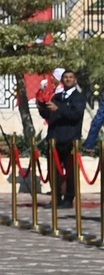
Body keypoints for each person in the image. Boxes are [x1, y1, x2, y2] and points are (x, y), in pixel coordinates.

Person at [40, 68, 86, 208]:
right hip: (55, 140)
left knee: (70, 171)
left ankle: (68, 198)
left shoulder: (78, 97)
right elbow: (51, 115)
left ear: (75, 79)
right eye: (65, 77)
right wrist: (42, 107)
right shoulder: (57, 97)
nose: (67, 79)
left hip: (70, 139)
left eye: (70, 77)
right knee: (54, 171)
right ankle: (56, 197)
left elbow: (75, 115)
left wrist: (59, 109)